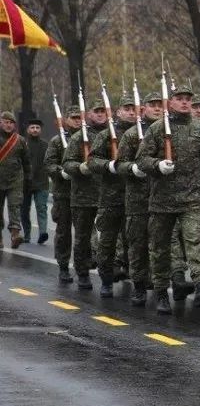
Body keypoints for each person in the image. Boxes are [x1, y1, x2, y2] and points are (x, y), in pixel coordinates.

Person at [136, 83, 200, 314]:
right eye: (180, 98)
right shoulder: (156, 129)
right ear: (170, 102)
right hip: (162, 200)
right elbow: (141, 160)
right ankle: (162, 292)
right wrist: (157, 165)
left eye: (188, 98)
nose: (185, 102)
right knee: (160, 248)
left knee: (195, 239)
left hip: (191, 198)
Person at [88, 94, 137, 297]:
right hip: (111, 197)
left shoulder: (142, 133)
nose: (131, 112)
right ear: (118, 112)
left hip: (135, 196)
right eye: (127, 109)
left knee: (134, 241)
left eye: (134, 109)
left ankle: (137, 280)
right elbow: (92, 161)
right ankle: (106, 279)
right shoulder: (107, 134)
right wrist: (108, 165)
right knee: (107, 242)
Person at [116, 91, 162, 306]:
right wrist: (133, 168)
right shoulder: (132, 134)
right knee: (138, 244)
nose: (157, 108)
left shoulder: (167, 133)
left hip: (163, 198)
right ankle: (139, 285)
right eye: (152, 104)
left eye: (160, 104)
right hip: (137, 200)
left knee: (162, 245)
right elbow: (119, 164)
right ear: (144, 108)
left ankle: (162, 286)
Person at [63, 100, 108, 288]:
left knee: (108, 237)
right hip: (83, 196)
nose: (100, 114)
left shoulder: (110, 135)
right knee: (82, 238)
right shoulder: (79, 137)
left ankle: (108, 274)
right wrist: (80, 167)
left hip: (107, 194)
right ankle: (82, 273)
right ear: (89, 114)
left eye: (103, 111)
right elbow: (67, 163)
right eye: (96, 111)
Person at [45, 106, 82, 281]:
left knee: (85, 233)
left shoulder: (87, 138)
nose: (77, 120)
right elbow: (49, 164)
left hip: (84, 193)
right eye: (74, 118)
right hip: (64, 194)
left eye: (79, 117)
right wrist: (61, 172)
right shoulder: (57, 141)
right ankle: (63, 265)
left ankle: (84, 266)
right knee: (64, 232)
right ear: (66, 120)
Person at [0, 111, 30, 249]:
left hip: (15, 180)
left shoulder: (20, 140)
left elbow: (26, 160)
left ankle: (15, 235)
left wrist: (28, 177)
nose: (8, 125)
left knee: (15, 206)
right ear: (1, 123)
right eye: (6, 122)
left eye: (11, 123)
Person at [20, 119, 49, 244]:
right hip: (23, 183)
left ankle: (43, 233)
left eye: (37, 127)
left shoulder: (45, 145)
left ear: (40, 130)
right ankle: (27, 234)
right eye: (32, 127)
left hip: (41, 182)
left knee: (41, 207)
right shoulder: (22, 143)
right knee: (24, 210)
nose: (35, 130)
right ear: (28, 129)